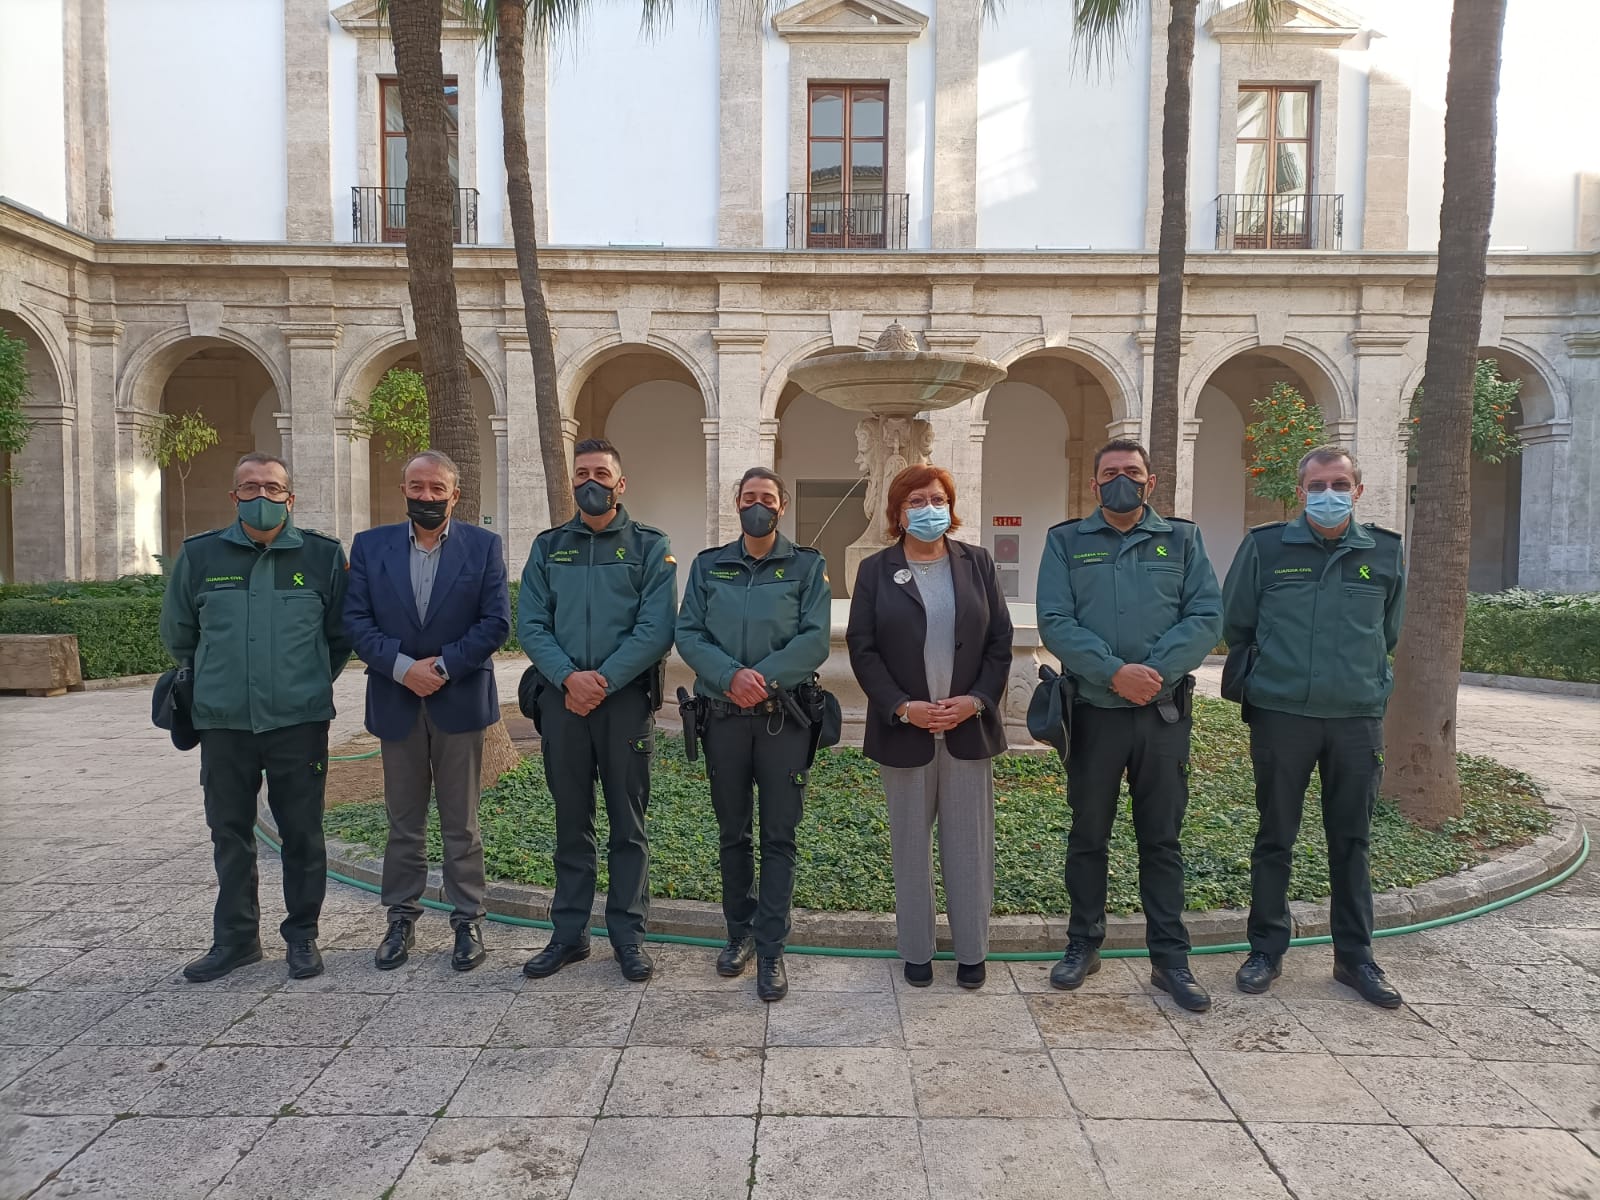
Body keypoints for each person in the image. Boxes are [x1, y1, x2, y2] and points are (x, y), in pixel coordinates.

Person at [1036, 439, 1222, 1012]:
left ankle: (1170, 961)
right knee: (1089, 836)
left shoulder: (1183, 540)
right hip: (1093, 715)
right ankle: (1082, 945)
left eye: (1132, 472)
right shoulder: (1066, 542)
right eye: (1111, 473)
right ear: (1095, 484)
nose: (1122, 480)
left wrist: (1157, 672)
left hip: (1162, 717)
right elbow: (1055, 620)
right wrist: (1115, 673)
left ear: (1151, 481)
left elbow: (1206, 615)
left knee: (1161, 841)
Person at [1221, 445, 1407, 1008]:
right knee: (1275, 836)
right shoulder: (1266, 547)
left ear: (1358, 490)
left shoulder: (1387, 552)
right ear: (1301, 492)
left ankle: (1355, 958)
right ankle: (1266, 950)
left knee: (1352, 842)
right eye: (1317, 486)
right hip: (1283, 717)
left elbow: (1388, 631)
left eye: (1340, 484)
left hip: (1355, 720)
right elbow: (1238, 624)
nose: (1329, 494)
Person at [159, 452, 351, 982]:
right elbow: (180, 635)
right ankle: (237, 940)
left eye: (272, 487)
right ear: (233, 496)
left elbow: (338, 637)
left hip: (298, 721)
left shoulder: (322, 557)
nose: (261, 497)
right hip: (224, 723)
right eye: (249, 488)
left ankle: (303, 938)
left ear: (290, 497)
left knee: (303, 833)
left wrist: (303, 681)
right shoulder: (200, 556)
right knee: (230, 832)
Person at [343, 449, 511, 974]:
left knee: (461, 821)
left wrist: (441, 668)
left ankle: (468, 920)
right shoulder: (371, 547)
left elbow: (495, 622)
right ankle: (401, 918)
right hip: (395, 700)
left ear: (454, 495)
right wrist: (401, 668)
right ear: (404, 490)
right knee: (403, 821)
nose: (427, 497)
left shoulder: (483, 547)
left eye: (437, 489)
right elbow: (356, 619)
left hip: (457, 699)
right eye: (418, 487)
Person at [846, 464, 1013, 990]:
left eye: (937, 498)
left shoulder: (977, 563)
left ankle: (971, 952)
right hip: (906, 730)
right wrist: (901, 706)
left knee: (969, 847)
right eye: (916, 501)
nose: (928, 509)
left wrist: (978, 700)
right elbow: (863, 648)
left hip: (967, 727)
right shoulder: (876, 570)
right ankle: (916, 951)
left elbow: (999, 643)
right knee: (910, 846)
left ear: (951, 504)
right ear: (897, 512)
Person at [518, 438, 676, 982]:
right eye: (582, 473)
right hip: (563, 704)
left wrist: (603, 681)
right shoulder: (548, 547)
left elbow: (656, 629)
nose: (592, 482)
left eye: (602, 474)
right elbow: (531, 624)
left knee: (627, 825)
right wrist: (567, 678)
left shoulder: (650, 548)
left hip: (625, 703)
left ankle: (628, 938)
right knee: (570, 821)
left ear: (620, 483)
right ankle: (569, 936)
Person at [676, 468, 832, 1002]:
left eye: (767, 498)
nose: (757, 506)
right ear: (736, 505)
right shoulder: (707, 566)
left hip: (782, 719)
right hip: (721, 718)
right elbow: (688, 633)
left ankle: (771, 948)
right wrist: (729, 677)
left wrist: (760, 679)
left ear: (782, 506)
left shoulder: (808, 566)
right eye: (749, 498)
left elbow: (815, 640)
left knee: (779, 836)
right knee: (733, 833)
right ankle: (738, 934)